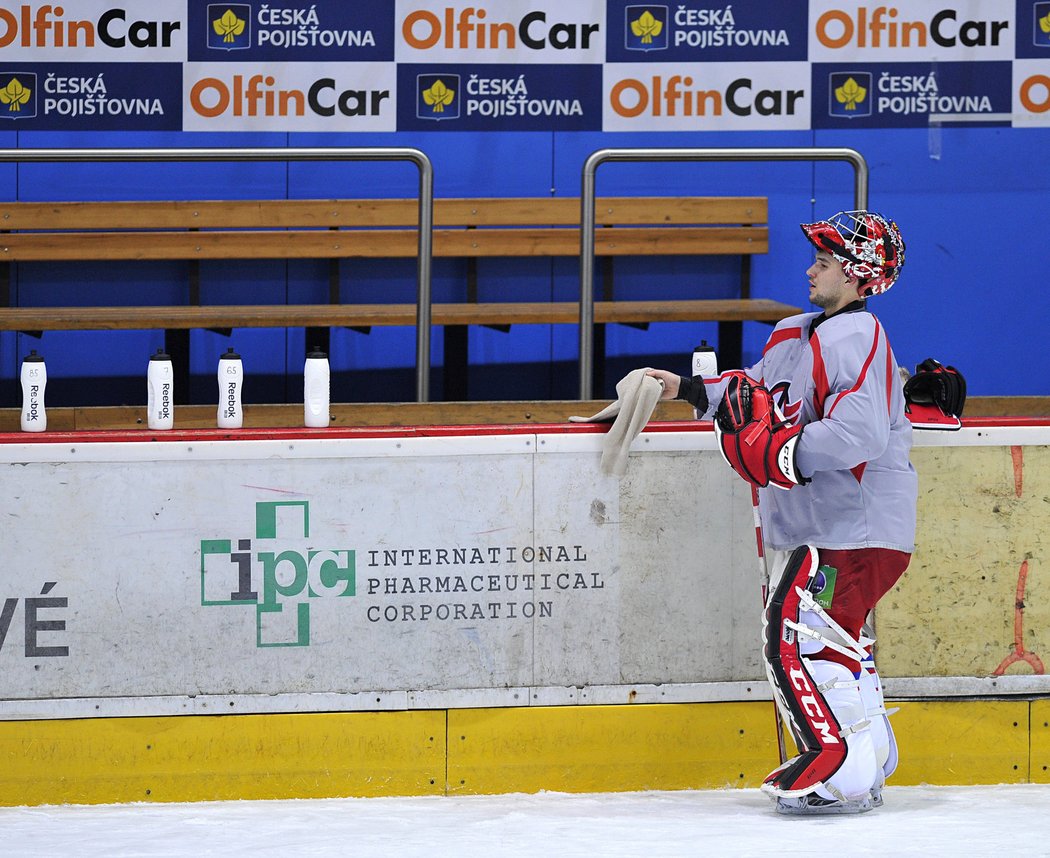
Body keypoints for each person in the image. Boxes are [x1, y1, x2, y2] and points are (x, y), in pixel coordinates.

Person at [647, 210, 915, 815]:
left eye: (822, 263)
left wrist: (781, 453)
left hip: (856, 525)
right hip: (827, 526)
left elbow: (859, 433)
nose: (809, 271)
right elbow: (756, 392)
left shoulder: (857, 336)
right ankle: (869, 756)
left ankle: (839, 768)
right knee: (838, 641)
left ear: (855, 274)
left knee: (801, 640)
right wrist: (687, 389)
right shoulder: (800, 332)